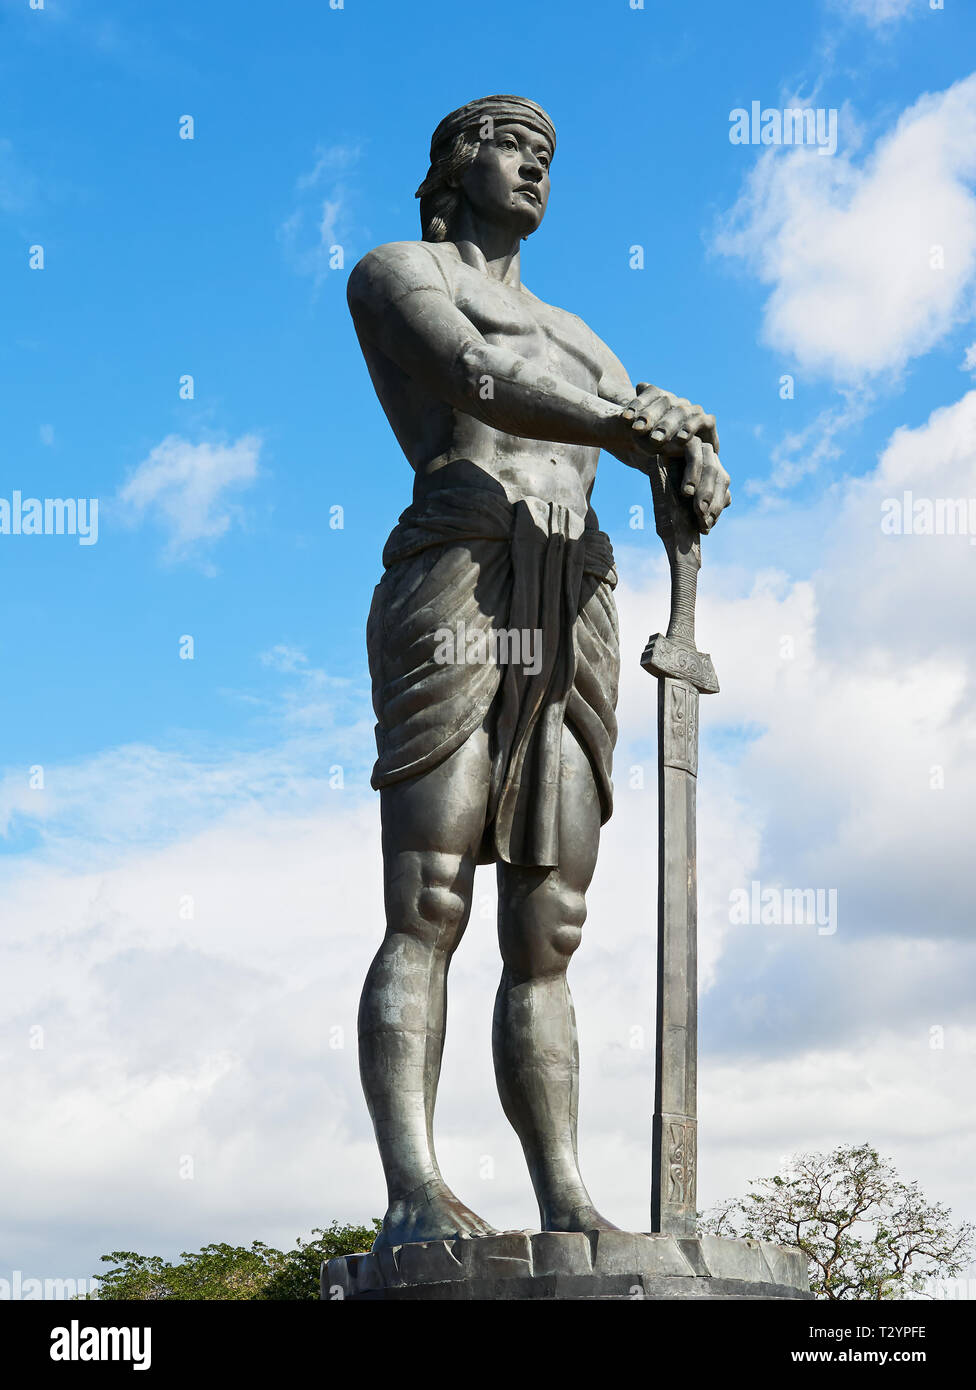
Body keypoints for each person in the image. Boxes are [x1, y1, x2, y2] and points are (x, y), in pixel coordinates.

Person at [346, 95, 730, 1249]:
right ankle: (416, 1190)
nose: (537, 172)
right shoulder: (397, 271)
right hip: (464, 578)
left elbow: (629, 444)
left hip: (577, 601)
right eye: (517, 149)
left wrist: (686, 453)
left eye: (550, 158)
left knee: (549, 921)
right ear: (458, 164)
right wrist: (629, 423)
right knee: (431, 893)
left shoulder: (585, 338)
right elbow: (473, 376)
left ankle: (566, 1193)